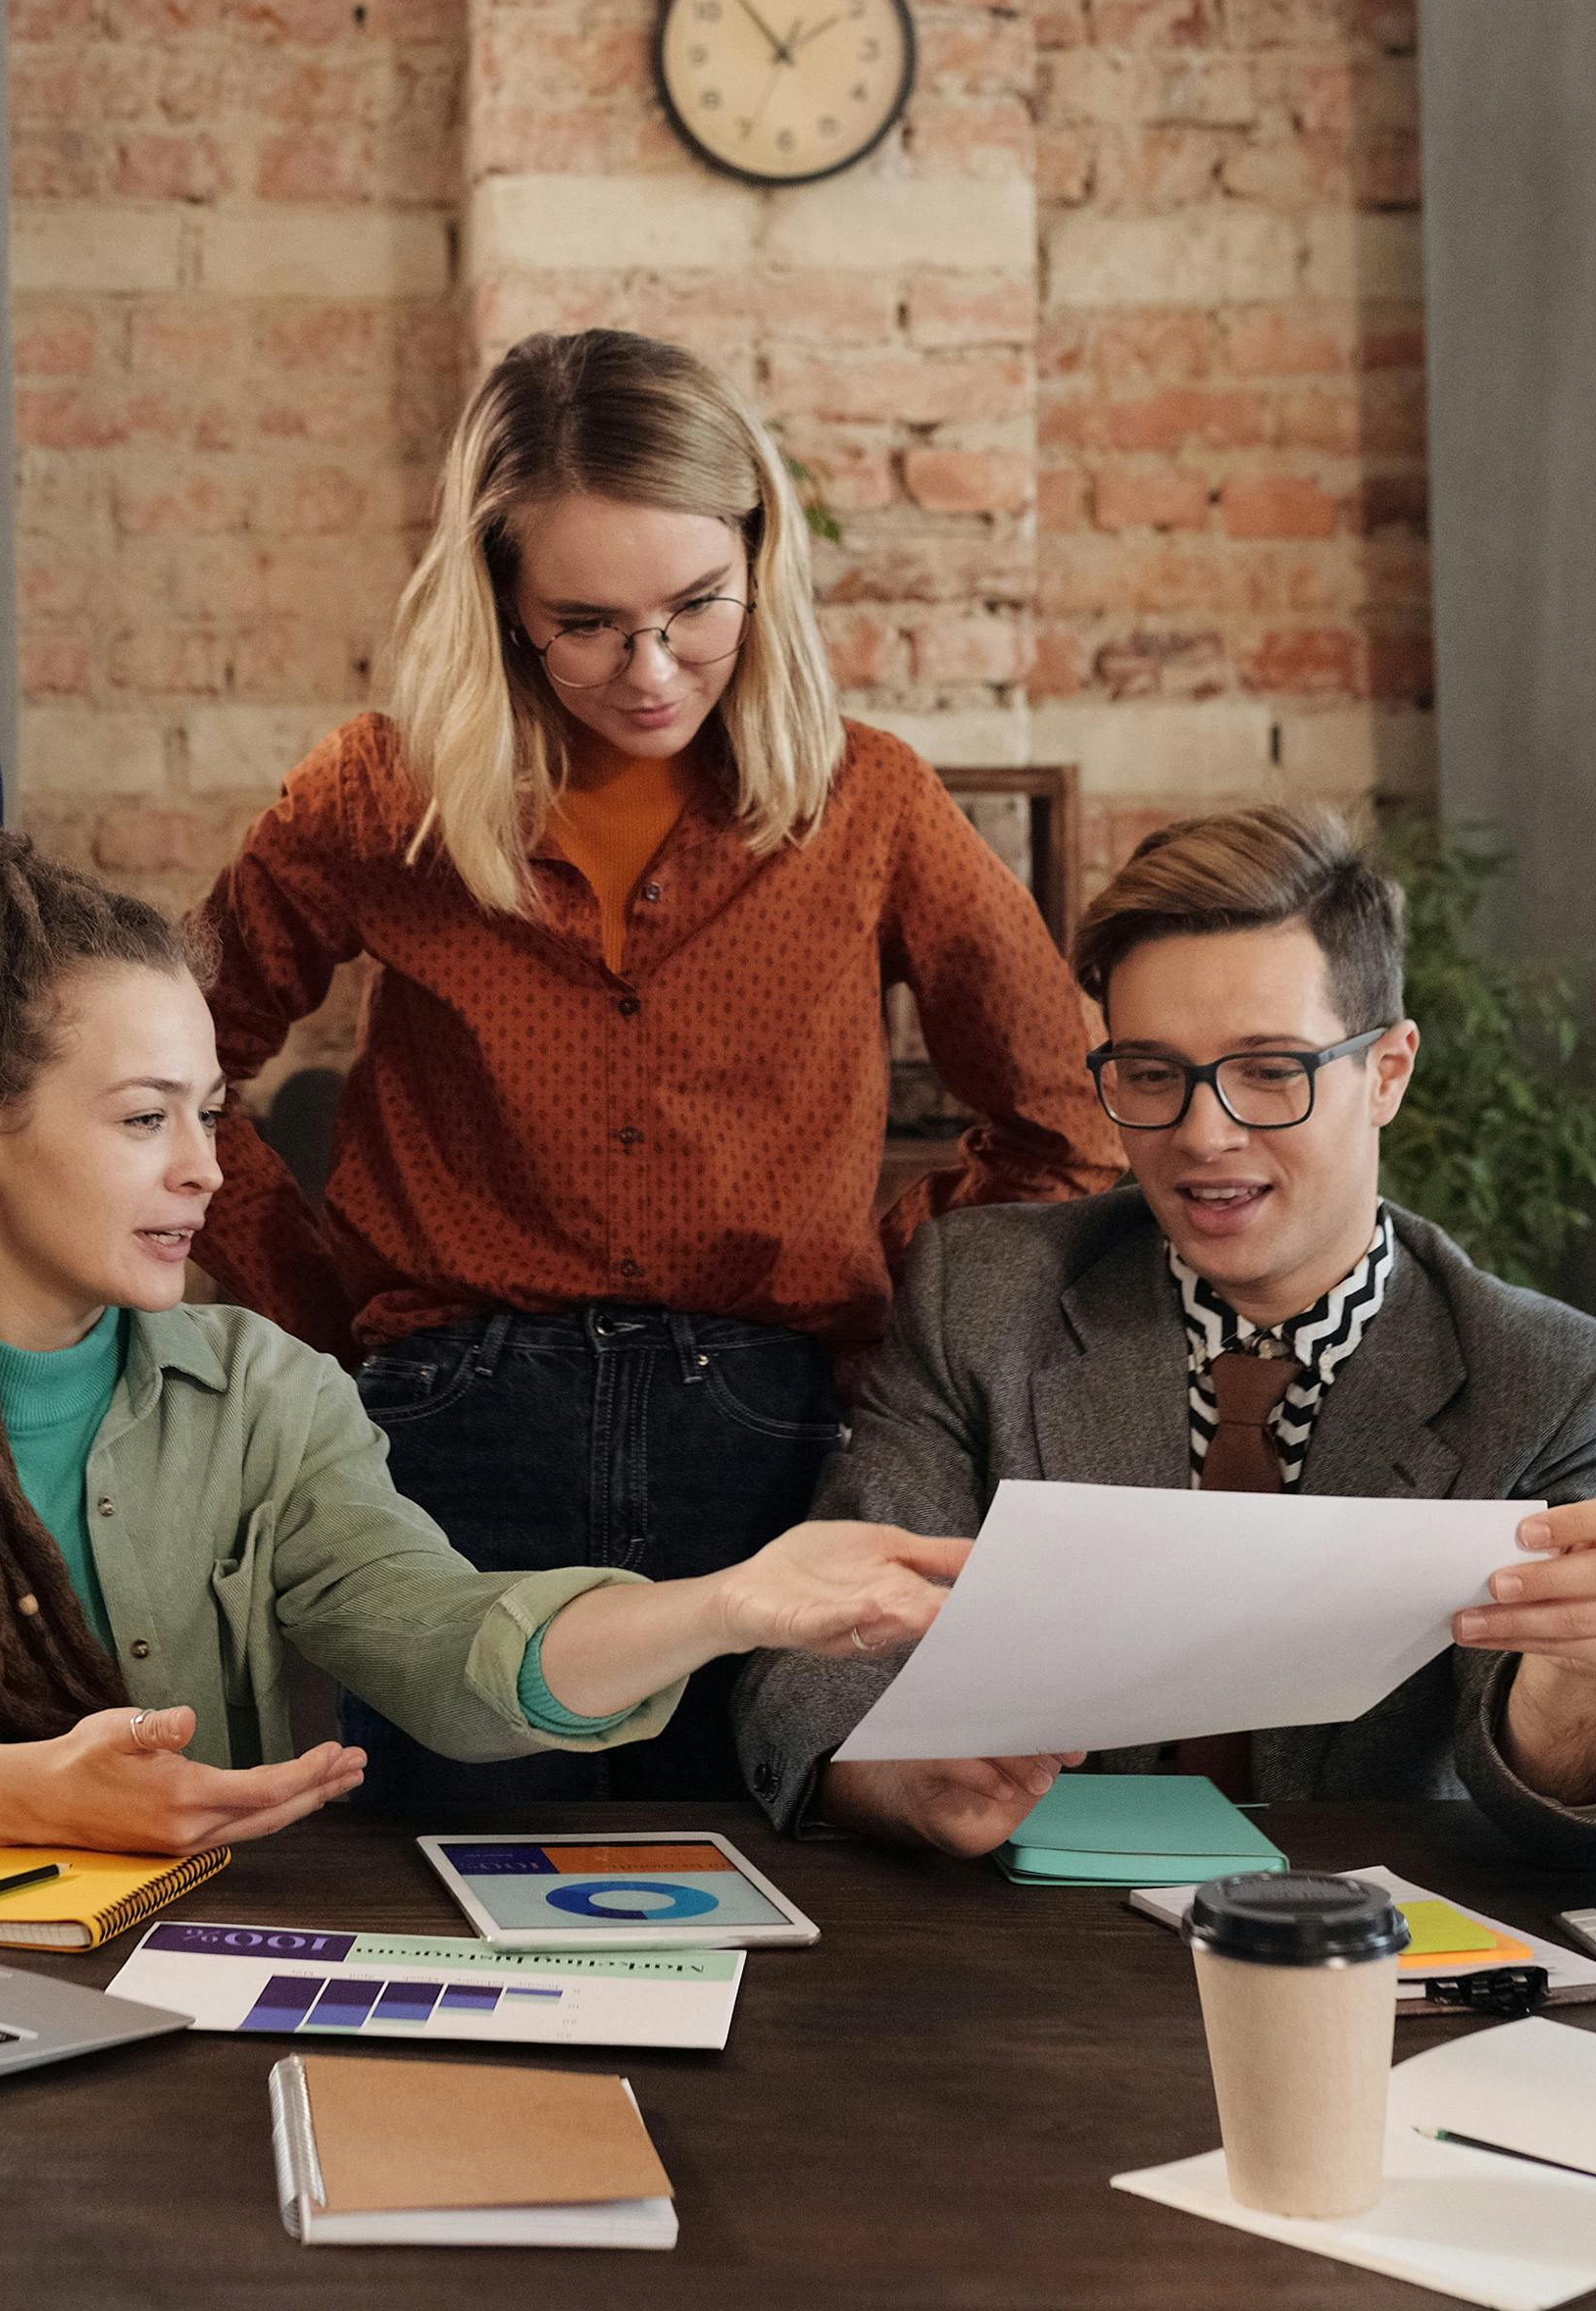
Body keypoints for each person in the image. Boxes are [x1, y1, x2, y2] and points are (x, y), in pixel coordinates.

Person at [0, 825, 969, 1861]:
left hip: (178, 2024)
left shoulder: (267, 1398)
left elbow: (450, 1645)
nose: (206, 1169)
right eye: (141, 1117)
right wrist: (10, 1794)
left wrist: (729, 1603)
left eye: (209, 1109)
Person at [188, 328, 1119, 1806]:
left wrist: (874, 1276)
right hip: (447, 1435)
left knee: (772, 1895)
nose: (651, 667)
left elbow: (1070, 1124)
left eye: (696, 606)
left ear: (762, 553)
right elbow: (178, 1071)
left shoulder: (869, 803)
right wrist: (317, 1318)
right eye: (587, 620)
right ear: (499, 594)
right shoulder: (379, 798)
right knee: (448, 1897)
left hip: (762, 1437)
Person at [734, 804, 1596, 1868]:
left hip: (1366, 1955)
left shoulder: (1564, 1383)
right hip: (1027, 1952)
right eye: (1150, 1073)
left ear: (1385, 1072)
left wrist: (1586, 1669)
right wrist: (892, 1776)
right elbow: (814, 1658)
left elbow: (1567, 1814)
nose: (1203, 1133)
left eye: (1269, 1071)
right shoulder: (981, 1294)